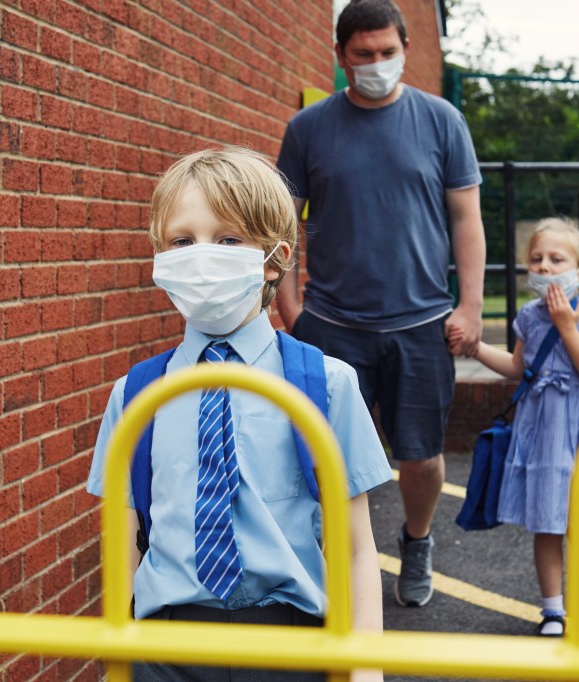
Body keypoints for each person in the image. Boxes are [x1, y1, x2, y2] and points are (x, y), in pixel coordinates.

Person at [86, 147, 392, 681]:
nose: (202, 256)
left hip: (291, 645)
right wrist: (119, 654)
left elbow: (357, 548)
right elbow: (120, 540)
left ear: (274, 257)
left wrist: (365, 668)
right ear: (161, 256)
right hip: (164, 648)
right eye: (182, 241)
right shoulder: (135, 395)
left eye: (228, 239)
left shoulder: (326, 385)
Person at [275, 0, 486, 608]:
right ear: (341, 57)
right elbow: (284, 221)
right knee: (322, 457)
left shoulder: (441, 120)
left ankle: (416, 541)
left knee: (420, 459)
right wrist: (291, 309)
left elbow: (466, 220)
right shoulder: (309, 129)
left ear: (405, 50)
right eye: (362, 55)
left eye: (387, 53)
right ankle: (326, 562)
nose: (376, 65)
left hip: (422, 325)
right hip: (334, 325)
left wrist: (468, 308)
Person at [456, 217, 579, 637]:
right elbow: (518, 367)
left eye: (556, 259)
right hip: (542, 431)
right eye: (536, 259)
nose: (545, 267)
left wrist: (568, 328)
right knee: (546, 520)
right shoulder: (529, 318)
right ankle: (552, 609)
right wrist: (476, 348)